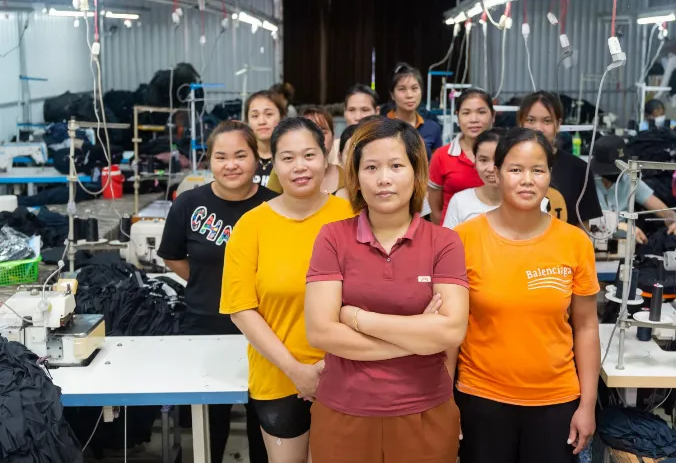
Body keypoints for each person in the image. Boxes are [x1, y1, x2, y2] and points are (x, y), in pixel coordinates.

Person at [304, 117, 469, 463]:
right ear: (356, 177)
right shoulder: (332, 237)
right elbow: (320, 330)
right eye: (371, 167)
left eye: (396, 165)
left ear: (416, 172)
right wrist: (415, 338)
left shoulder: (444, 242)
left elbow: (451, 330)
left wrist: (357, 318)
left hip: (424, 412)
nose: (384, 179)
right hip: (343, 411)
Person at [452, 127, 600, 463]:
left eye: (538, 170)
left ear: (550, 175)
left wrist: (587, 405)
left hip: (556, 401)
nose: (527, 180)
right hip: (481, 398)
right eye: (515, 169)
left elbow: (587, 327)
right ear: (497, 173)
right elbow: (450, 331)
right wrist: (446, 400)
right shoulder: (463, 240)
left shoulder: (575, 242)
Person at [220, 117, 353, 463]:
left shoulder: (352, 217)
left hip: (349, 374)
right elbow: (241, 309)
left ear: (325, 158)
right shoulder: (251, 225)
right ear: (274, 165)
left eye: (309, 155)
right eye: (288, 158)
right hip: (278, 376)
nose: (299, 167)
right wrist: (298, 372)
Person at [157, 121, 275, 463]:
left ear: (257, 159)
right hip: (205, 326)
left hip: (267, 330)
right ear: (209, 160)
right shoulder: (189, 204)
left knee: (265, 426)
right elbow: (173, 256)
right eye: (221, 156)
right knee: (209, 429)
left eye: (241, 155)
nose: (231, 164)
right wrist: (213, 283)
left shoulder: (274, 206)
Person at [517, 91, 602, 228]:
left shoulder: (578, 170)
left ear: (558, 124)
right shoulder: (506, 164)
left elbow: (583, 226)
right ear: (520, 122)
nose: (538, 128)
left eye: (547, 121)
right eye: (531, 120)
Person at [591, 135, 676, 243]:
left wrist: (675, 221)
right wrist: (618, 226)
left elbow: (664, 211)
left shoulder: (629, 180)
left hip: (622, 244)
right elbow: (582, 222)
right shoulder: (585, 183)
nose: (619, 173)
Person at [428, 88, 495, 225]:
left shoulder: (507, 154)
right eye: (466, 113)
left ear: (493, 116)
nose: (474, 119)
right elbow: (435, 210)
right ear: (457, 117)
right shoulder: (441, 156)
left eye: (481, 112)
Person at [266, 108, 345, 195]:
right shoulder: (282, 172)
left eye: (322, 132)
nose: (300, 167)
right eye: (288, 158)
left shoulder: (345, 176)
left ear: (333, 136)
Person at [442, 129, 503, 229]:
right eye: (483, 160)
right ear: (475, 162)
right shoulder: (460, 201)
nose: (491, 168)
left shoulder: (528, 201)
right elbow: (447, 242)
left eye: (498, 160)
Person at [383, 63, 442, 159]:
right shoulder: (380, 126)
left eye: (414, 88)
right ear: (392, 95)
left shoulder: (433, 128)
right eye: (402, 89)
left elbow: (436, 166)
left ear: (421, 91)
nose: (409, 95)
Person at [245, 90, 287, 189]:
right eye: (255, 116)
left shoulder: (290, 159)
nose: (262, 121)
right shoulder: (242, 159)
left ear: (282, 117)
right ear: (247, 120)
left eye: (268, 114)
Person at [331, 85, 380, 165]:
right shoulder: (333, 149)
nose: (358, 117)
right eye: (351, 110)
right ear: (344, 112)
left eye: (365, 110)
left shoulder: (387, 145)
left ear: (377, 111)